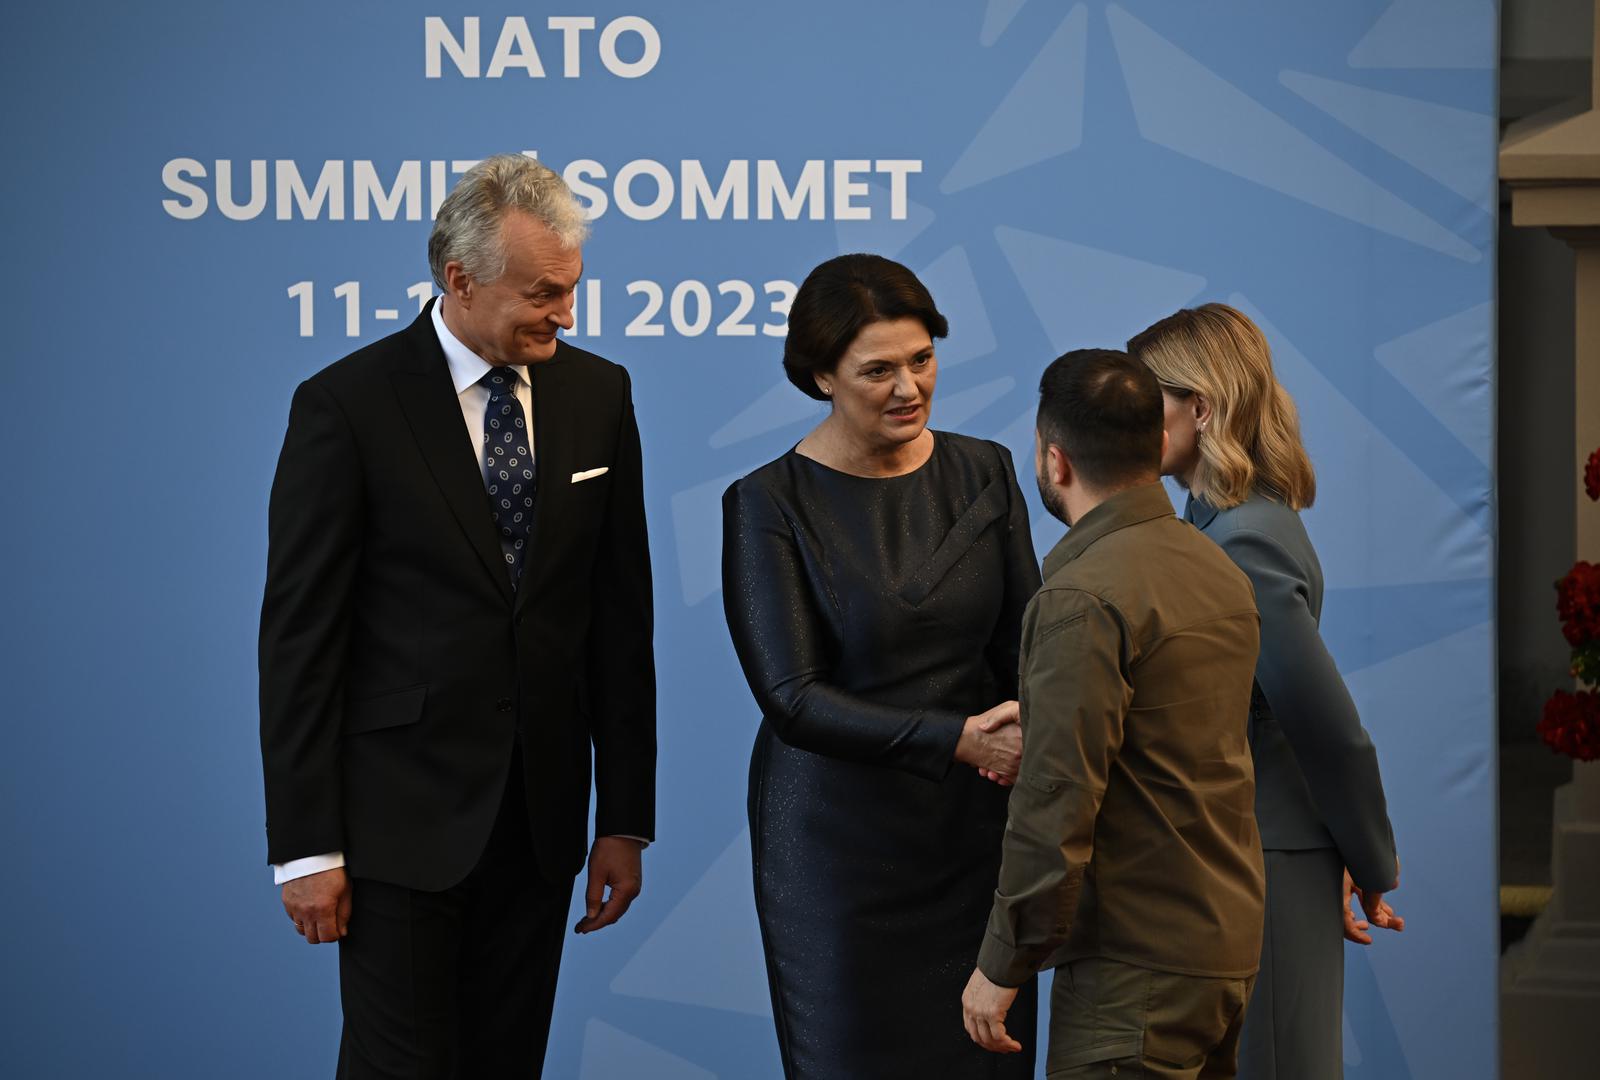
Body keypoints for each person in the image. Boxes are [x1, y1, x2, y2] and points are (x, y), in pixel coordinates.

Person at [259, 154, 656, 1079]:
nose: (565, 313)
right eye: (544, 293)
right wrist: (305, 847)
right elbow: (300, 643)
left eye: (573, 290)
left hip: (541, 822)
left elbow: (618, 620)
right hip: (396, 830)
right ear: (460, 279)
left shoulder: (601, 395)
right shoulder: (345, 405)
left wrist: (623, 818)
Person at [721, 253, 1042, 1078]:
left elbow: (1023, 649)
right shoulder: (766, 503)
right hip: (837, 855)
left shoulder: (985, 469)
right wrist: (960, 739)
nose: (909, 387)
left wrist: (1025, 740)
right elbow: (792, 698)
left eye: (922, 359)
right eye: (878, 370)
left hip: (979, 838)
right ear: (821, 375)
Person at [962, 348, 1266, 1079]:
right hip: (1222, 950)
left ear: (1054, 461)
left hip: (1135, 973)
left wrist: (1002, 962)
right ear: (1159, 446)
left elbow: (1057, 801)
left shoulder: (1082, 597)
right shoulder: (1213, 566)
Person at [1126, 304, 1403, 1080]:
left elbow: (1322, 723)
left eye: (1148, 402)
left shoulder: (1241, 535)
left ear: (1201, 408)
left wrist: (1368, 857)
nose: (1128, 421)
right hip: (1255, 852)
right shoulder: (1223, 524)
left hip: (1270, 855)